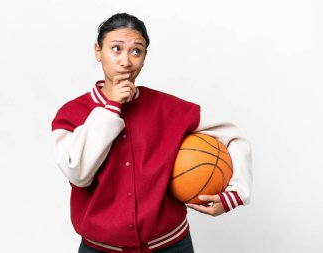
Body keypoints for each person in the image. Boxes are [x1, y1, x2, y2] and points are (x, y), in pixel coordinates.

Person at [51, 13, 252, 253]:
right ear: (98, 51)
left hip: (171, 246)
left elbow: (232, 136)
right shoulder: (71, 113)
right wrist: (112, 106)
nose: (126, 61)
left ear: (145, 58)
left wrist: (236, 194)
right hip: (100, 249)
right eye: (116, 49)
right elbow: (78, 172)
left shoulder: (167, 107)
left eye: (137, 51)